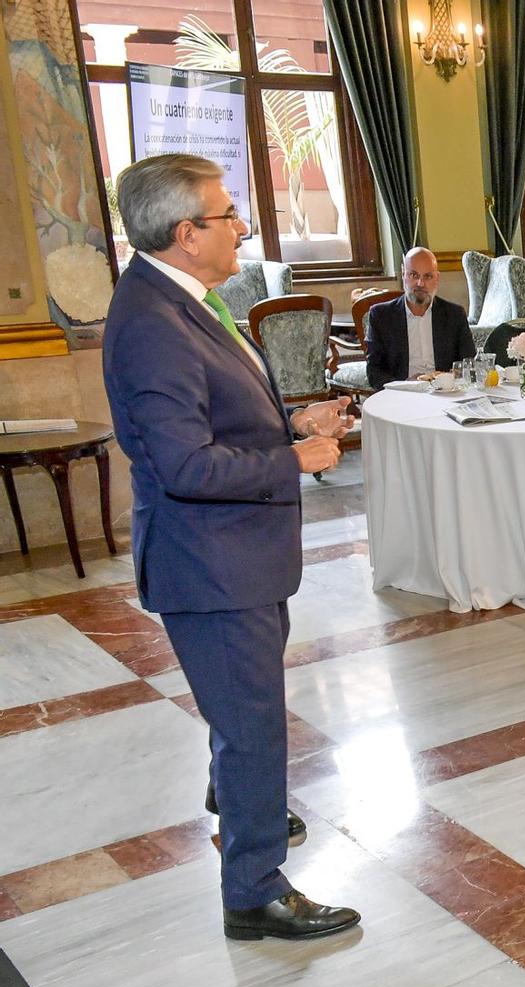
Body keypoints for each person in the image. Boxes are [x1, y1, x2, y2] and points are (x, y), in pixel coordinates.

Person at [102, 152, 359, 941]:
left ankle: (247, 812)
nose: (242, 227)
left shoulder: (185, 299)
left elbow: (213, 423)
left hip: (235, 557)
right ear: (186, 233)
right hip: (210, 565)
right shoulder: (153, 324)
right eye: (228, 215)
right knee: (253, 725)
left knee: (241, 717)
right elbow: (184, 466)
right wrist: (294, 461)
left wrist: (293, 425)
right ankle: (254, 892)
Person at [364, 246, 476, 388]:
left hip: (445, 393)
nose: (420, 284)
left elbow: (469, 364)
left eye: (428, 276)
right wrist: (405, 385)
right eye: (414, 275)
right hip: (402, 395)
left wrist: (446, 380)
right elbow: (374, 372)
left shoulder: (455, 315)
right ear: (403, 275)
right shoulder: (381, 316)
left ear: (437, 279)